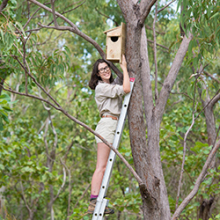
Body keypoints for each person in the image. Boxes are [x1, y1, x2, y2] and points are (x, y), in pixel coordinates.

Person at [87, 55, 130, 214]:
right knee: (102, 166)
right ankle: (93, 202)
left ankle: (96, 201)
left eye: (107, 68)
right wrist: (124, 67)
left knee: (104, 166)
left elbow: (120, 83)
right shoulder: (101, 87)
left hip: (111, 124)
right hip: (106, 125)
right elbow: (126, 88)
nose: (105, 71)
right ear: (97, 74)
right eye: (101, 70)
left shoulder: (110, 84)